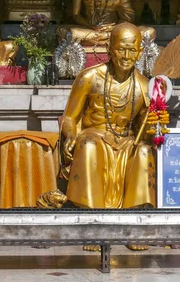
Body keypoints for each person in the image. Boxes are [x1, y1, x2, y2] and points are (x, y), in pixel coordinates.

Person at [61, 23, 155, 211]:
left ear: (139, 52)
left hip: (126, 142)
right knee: (88, 145)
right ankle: (91, 220)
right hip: (95, 136)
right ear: (109, 49)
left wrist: (152, 124)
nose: (126, 57)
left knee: (144, 151)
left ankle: (136, 219)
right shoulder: (89, 77)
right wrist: (71, 136)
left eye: (131, 50)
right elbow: (69, 118)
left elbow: (143, 133)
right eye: (121, 50)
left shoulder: (145, 86)